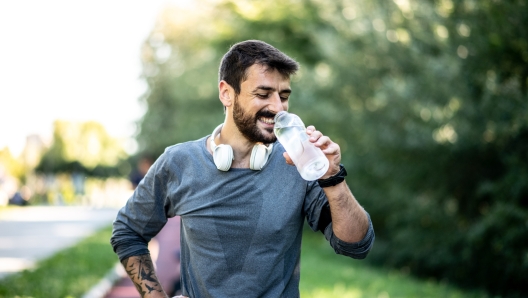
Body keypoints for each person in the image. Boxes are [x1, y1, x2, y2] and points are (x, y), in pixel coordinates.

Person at [110, 40, 375, 298]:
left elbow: (356, 245)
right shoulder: (180, 162)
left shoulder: (300, 162)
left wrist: (333, 178)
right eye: (263, 94)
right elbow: (128, 231)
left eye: (284, 96)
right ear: (226, 93)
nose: (277, 107)